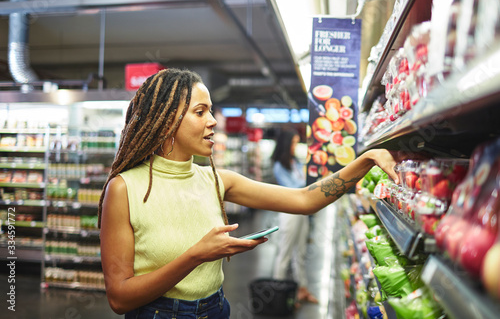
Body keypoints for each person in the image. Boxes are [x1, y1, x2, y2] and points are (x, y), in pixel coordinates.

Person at [98, 68, 402, 319]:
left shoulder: (219, 180)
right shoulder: (124, 189)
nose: (213, 121)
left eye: (211, 111)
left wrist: (365, 160)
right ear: (166, 120)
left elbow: (305, 199)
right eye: (200, 112)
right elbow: (120, 298)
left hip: (216, 309)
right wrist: (196, 255)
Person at [271, 128, 318, 305]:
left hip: (301, 212)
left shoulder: (295, 162)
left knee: (301, 253)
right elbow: (292, 188)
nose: (296, 146)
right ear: (286, 144)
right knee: (285, 253)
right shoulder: (279, 166)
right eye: (293, 142)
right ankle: (278, 295)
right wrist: (309, 179)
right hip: (288, 212)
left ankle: (302, 289)